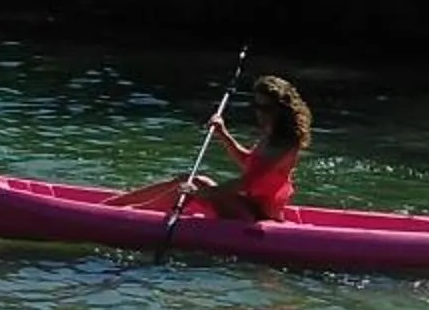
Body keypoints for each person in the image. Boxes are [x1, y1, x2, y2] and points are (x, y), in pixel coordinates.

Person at [117, 74, 312, 222]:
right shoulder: (271, 134)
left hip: (258, 217)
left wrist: (203, 194)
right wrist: (223, 134)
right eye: (257, 107)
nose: (260, 113)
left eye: (266, 108)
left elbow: (246, 182)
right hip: (246, 205)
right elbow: (248, 163)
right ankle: (117, 204)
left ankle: (133, 215)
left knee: (198, 183)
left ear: (282, 109)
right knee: (188, 178)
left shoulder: (285, 144)